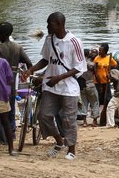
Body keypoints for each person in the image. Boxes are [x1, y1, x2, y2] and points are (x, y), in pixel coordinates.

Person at [24, 12, 87, 160]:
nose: (47, 27)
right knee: (43, 115)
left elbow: (79, 67)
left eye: (49, 24)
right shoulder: (49, 39)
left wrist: (59, 77)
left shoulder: (74, 42)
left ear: (59, 24)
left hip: (68, 88)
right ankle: (59, 142)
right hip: (50, 86)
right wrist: (31, 70)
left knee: (68, 119)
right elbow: (45, 60)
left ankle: (71, 150)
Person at [0, 21, 33, 140]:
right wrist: (27, 74)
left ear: (2, 34)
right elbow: (29, 64)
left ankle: (2, 137)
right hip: (11, 85)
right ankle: (11, 133)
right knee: (10, 108)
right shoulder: (18, 47)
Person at [93, 43, 117, 126]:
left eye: (101, 50)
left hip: (106, 82)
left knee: (108, 99)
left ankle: (107, 117)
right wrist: (99, 83)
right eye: (99, 50)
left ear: (105, 51)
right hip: (97, 82)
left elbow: (114, 65)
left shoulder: (109, 58)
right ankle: (95, 119)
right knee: (97, 100)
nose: (99, 51)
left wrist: (109, 73)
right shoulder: (97, 58)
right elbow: (95, 71)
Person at [79, 49, 100, 127]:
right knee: (95, 102)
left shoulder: (79, 63)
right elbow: (96, 75)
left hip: (81, 86)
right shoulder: (91, 64)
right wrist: (100, 84)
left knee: (84, 103)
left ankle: (85, 122)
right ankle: (94, 120)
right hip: (90, 84)